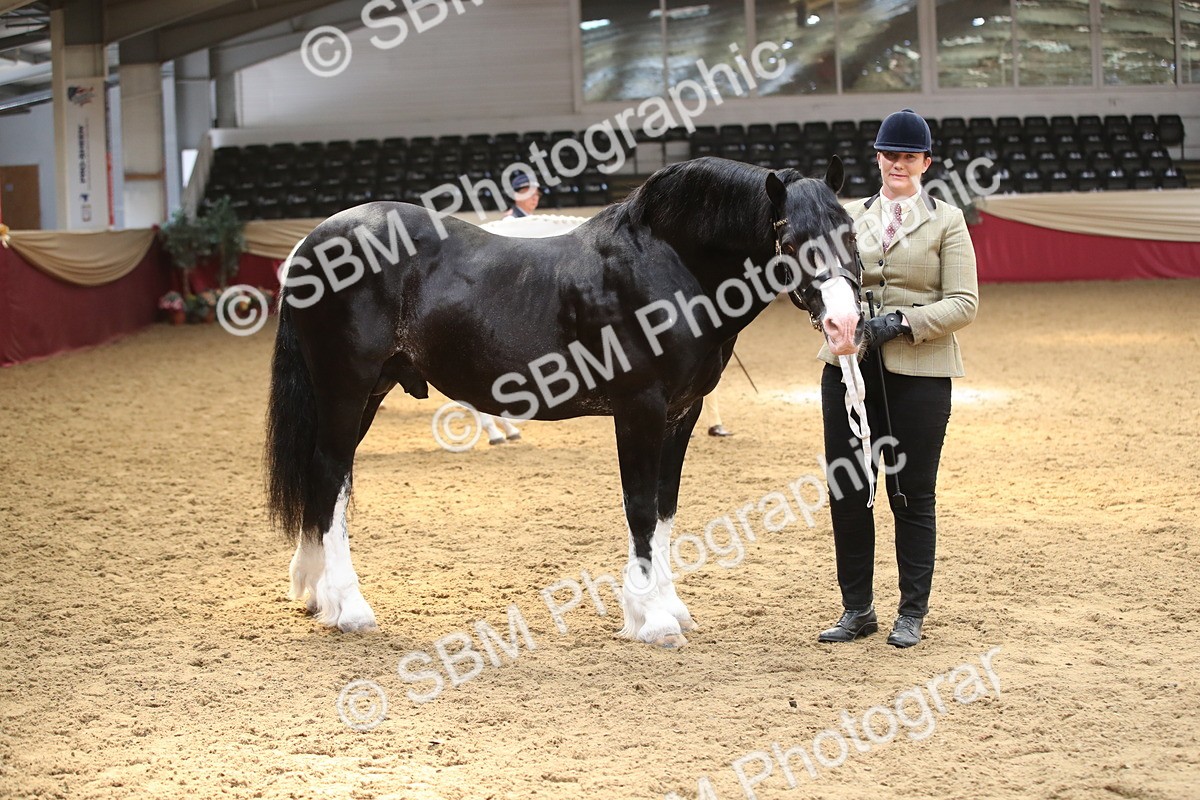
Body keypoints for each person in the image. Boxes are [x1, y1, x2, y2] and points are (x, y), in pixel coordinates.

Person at [815, 108, 978, 648]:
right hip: (847, 369)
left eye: (908, 156)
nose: (897, 164)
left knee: (910, 494)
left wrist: (902, 322)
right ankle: (857, 609)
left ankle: (911, 612)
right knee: (848, 491)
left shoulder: (947, 220)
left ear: (926, 162)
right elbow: (825, 283)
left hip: (920, 373)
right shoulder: (848, 217)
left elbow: (964, 302)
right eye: (889, 155)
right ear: (878, 159)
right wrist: (831, 317)